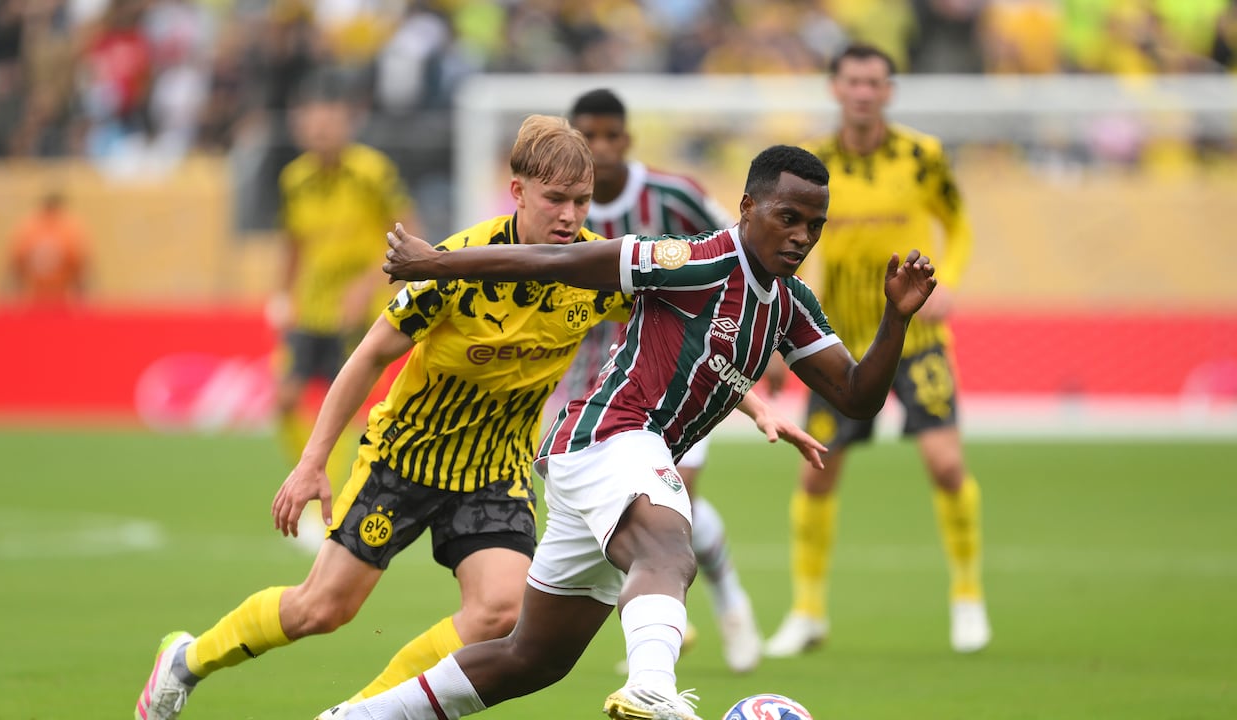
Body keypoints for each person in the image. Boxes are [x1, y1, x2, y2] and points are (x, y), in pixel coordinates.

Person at [133, 116, 810, 720]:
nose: (572, 215)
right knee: (324, 608)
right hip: (405, 456)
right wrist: (312, 462)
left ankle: (363, 714)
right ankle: (189, 659)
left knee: (499, 612)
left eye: (581, 201)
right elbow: (369, 356)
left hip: (495, 469)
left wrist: (753, 403)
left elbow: (675, 339)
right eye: (556, 200)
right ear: (517, 193)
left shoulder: (591, 268)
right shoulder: (460, 265)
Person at [338, 143, 938, 720]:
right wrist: (435, 263)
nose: (802, 236)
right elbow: (563, 261)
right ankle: (651, 690)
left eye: (814, 224)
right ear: (749, 208)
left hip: (603, 463)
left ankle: (357, 717)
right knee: (669, 548)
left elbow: (859, 396)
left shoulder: (790, 304)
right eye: (788, 217)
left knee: (532, 658)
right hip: (610, 437)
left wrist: (896, 317)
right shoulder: (695, 260)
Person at [763, 43, 989, 658]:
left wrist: (953, 282)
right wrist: (787, 338)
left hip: (917, 340)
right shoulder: (815, 167)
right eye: (853, 81)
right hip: (841, 343)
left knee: (945, 464)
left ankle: (967, 597)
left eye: (874, 82)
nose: (863, 92)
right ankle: (807, 612)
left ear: (889, 91)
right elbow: (789, 246)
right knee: (817, 475)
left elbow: (960, 222)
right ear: (835, 88)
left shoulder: (923, 157)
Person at [564, 87, 761, 674]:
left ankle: (722, 605)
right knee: (615, 513)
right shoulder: (558, 207)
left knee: (675, 503)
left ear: (627, 139)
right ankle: (656, 619)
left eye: (609, 136)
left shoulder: (671, 196)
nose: (599, 149)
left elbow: (744, 249)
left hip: (675, 375)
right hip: (587, 383)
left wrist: (761, 333)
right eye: (587, 137)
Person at [269, 74, 420, 546]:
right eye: (312, 125)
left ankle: (333, 497)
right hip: (312, 308)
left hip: (360, 311)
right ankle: (312, 483)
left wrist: (372, 282)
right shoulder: (295, 180)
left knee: (346, 405)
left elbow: (407, 234)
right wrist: (281, 293)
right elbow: (293, 242)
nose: (321, 133)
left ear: (345, 125)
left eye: (329, 124)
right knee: (286, 399)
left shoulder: (372, 172)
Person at [5, 191, 90, 306]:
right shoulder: (68, 230)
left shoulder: (29, 228)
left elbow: (80, 269)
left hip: (57, 299)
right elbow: (16, 267)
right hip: (39, 298)